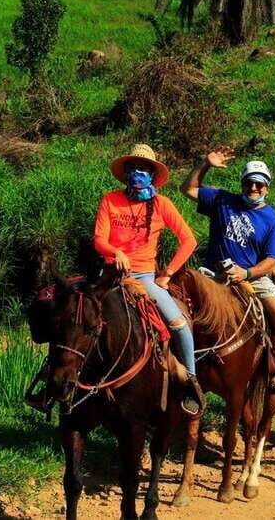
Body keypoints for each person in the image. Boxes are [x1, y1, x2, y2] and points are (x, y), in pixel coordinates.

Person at [93, 143, 203, 416]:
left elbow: (189, 241)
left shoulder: (162, 204)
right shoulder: (110, 200)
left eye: (142, 169)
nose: (136, 173)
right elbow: (99, 239)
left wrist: (166, 274)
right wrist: (115, 251)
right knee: (76, 317)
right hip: (110, 275)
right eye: (132, 168)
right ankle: (55, 382)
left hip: (144, 277)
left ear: (152, 174)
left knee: (178, 325)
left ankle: (190, 382)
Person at [181, 148, 275, 395]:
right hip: (213, 275)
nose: (253, 188)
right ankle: (174, 368)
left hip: (252, 275)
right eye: (249, 183)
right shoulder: (222, 200)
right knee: (179, 307)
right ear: (242, 184)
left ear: (267, 188)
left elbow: (273, 259)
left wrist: (247, 274)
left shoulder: (272, 218)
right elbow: (187, 189)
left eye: (259, 184)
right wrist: (204, 165)